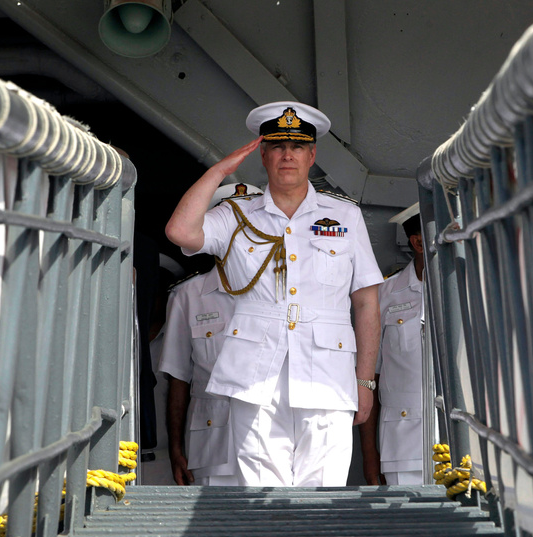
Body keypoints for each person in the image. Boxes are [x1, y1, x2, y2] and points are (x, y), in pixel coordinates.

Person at [164, 101, 382, 487]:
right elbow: (181, 232)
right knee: (262, 496)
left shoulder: (345, 217)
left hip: (328, 379)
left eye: (297, 147)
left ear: (312, 155)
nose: (287, 155)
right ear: (262, 154)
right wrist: (218, 172)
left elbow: (366, 302)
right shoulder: (236, 214)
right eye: (277, 146)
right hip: (254, 380)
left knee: (325, 496)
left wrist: (364, 381)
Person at [157, 184, 258, 486]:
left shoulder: (288, 291)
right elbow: (178, 378)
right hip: (211, 445)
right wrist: (176, 449)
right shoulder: (188, 296)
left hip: (270, 441)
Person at [360, 212, 426, 485]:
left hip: (467, 442)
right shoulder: (384, 296)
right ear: (418, 243)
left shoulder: (475, 287)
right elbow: (368, 379)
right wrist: (369, 454)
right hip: (402, 444)